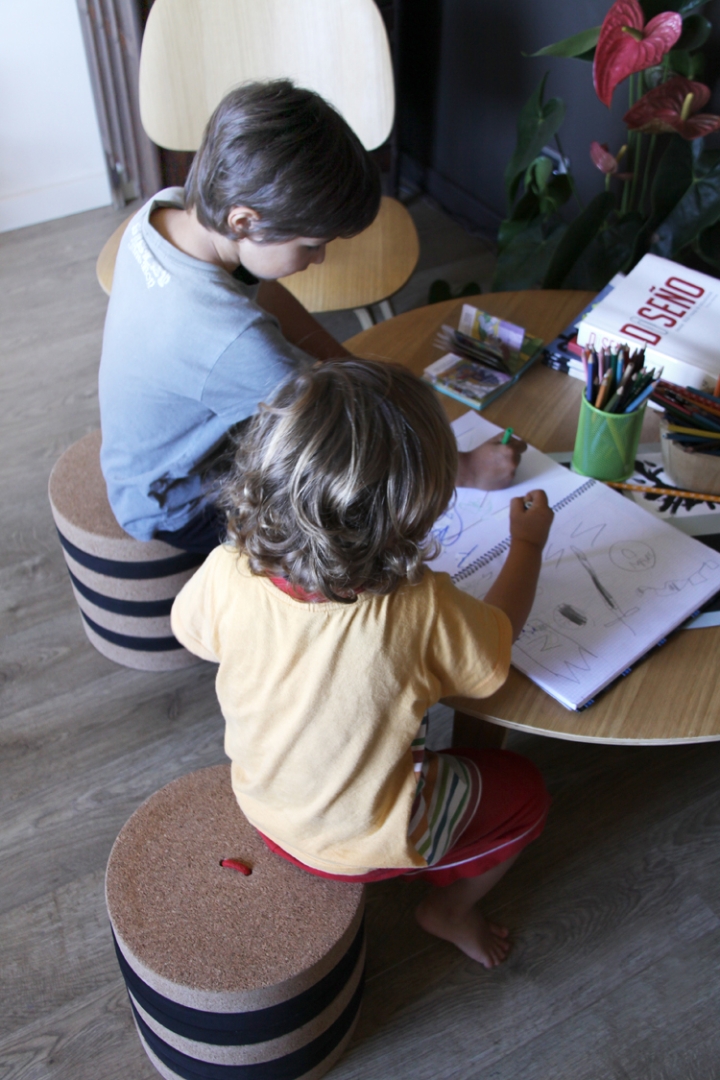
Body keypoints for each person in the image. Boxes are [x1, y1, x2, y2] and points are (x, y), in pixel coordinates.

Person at [171, 359, 553, 968]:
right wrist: (527, 547)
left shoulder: (229, 567)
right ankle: (448, 909)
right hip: (366, 840)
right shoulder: (422, 608)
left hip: (263, 802)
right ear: (416, 510)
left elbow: (192, 634)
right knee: (528, 794)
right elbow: (495, 657)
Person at [99, 80, 526, 556]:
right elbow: (339, 435)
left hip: (153, 454)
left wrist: (341, 363)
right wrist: (464, 469)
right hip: (179, 502)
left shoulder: (172, 210)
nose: (320, 259)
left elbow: (260, 293)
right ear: (244, 222)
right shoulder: (233, 342)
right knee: (347, 513)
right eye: (310, 245)